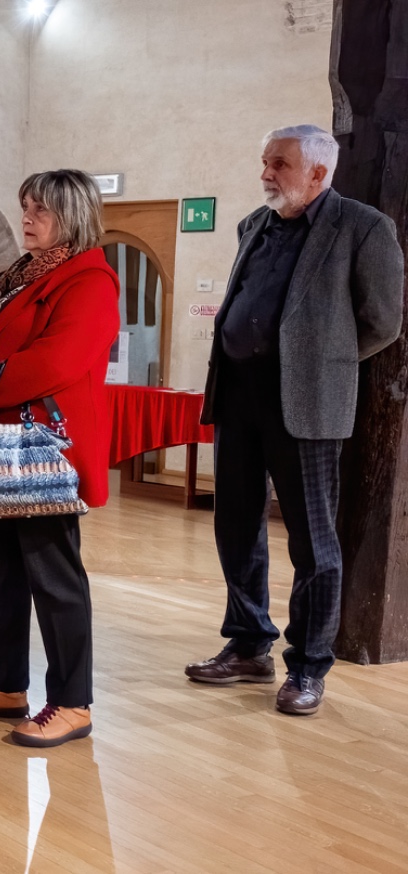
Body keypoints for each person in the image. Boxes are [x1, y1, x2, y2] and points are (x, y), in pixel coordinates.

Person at [187, 125, 403, 715]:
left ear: (318, 173)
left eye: (279, 163)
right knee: (235, 527)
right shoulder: (252, 226)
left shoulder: (363, 227)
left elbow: (383, 322)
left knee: (313, 543)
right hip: (237, 399)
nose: (266, 173)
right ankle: (248, 644)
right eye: (265, 161)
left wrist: (320, 363)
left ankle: (307, 666)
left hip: (306, 405)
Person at [0, 169, 119, 748]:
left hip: (42, 451)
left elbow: (53, 363)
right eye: (26, 207)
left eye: (41, 210)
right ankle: (5, 685)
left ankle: (72, 702)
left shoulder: (89, 280)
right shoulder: (12, 277)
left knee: (54, 578)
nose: (28, 218)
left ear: (73, 215)